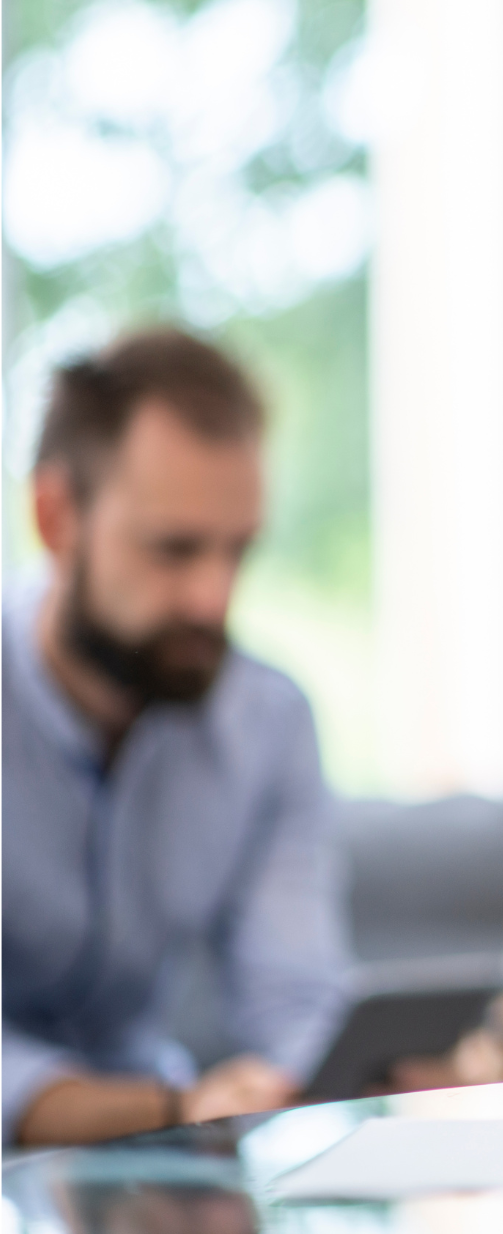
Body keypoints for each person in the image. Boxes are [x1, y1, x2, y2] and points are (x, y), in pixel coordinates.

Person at [4, 329, 350, 1146]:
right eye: (175, 549)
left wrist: (346, 1077)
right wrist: (160, 1110)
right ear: (56, 518)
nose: (212, 599)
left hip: (152, 1165)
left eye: (238, 551)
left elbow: (298, 1002)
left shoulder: (267, 723)